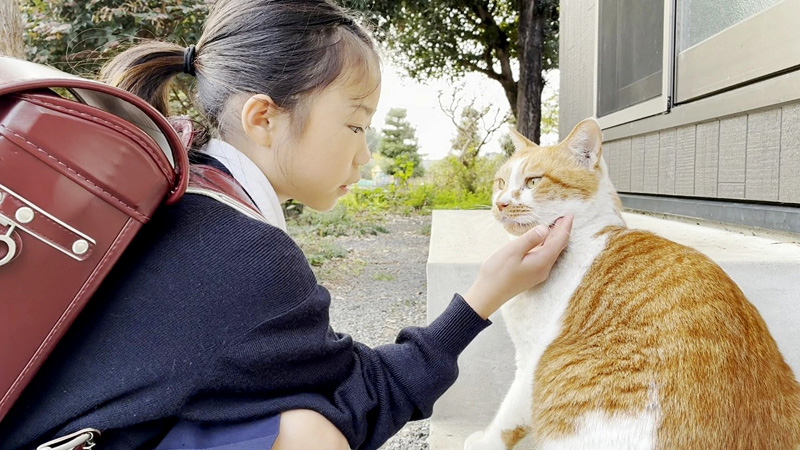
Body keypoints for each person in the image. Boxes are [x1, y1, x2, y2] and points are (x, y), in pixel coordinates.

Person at [0, 1, 573, 449]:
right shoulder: (245, 254)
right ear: (264, 118)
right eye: (355, 125)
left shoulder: (183, 191)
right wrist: (485, 294)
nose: (365, 154)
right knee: (309, 436)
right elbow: (365, 398)